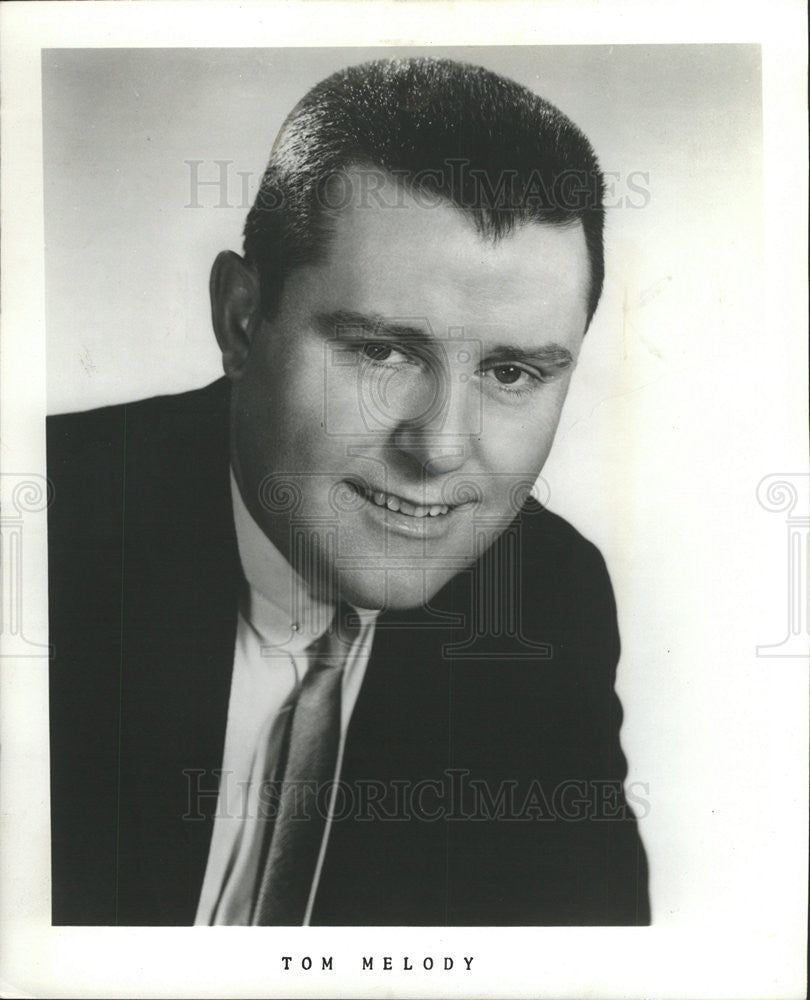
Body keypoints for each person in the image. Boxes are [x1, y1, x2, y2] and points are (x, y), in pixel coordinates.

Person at [47, 56, 651, 926]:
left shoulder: (547, 604)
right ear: (243, 320)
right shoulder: (44, 526)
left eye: (512, 371)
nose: (440, 448)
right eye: (381, 352)